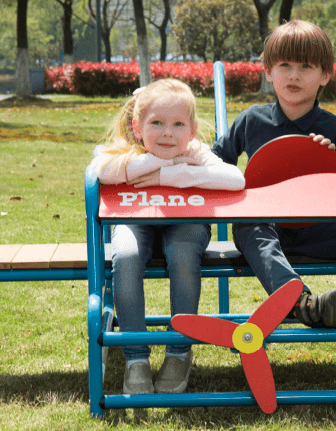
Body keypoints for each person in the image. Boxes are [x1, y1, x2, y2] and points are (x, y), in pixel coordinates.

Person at [211, 20, 336, 333]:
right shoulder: (251, 119)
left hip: (320, 230)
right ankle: (300, 303)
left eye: (306, 66)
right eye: (285, 65)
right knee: (247, 224)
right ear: (268, 72)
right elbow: (213, 164)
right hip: (269, 230)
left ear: (325, 75)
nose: (294, 75)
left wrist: (329, 164)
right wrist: (241, 189)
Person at [90, 79, 245, 395]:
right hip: (136, 222)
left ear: (192, 129)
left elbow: (235, 179)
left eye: (178, 125)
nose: (168, 133)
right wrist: (154, 161)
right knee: (127, 256)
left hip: (185, 224)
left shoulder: (195, 151)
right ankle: (136, 357)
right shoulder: (124, 150)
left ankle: (179, 352)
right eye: (157, 123)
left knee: (183, 255)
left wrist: (170, 174)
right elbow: (100, 171)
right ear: (138, 127)